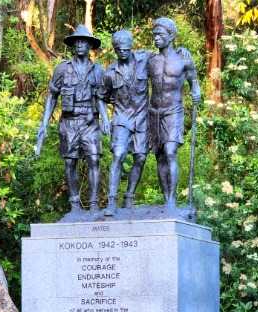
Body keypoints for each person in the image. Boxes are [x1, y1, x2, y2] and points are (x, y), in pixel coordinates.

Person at [37, 25, 110, 214]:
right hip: (68, 123)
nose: (79, 45)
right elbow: (52, 96)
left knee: (94, 159)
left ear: (90, 45)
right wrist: (44, 123)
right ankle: (74, 205)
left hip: (90, 122)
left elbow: (102, 98)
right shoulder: (62, 69)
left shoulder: (99, 71)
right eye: (76, 42)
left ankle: (94, 203)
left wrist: (105, 119)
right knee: (70, 162)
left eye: (83, 42)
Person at [148, 18, 201, 213]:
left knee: (170, 152)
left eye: (160, 34)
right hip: (154, 112)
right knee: (160, 156)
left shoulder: (184, 59)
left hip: (174, 111)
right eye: (154, 35)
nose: (156, 38)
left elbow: (194, 83)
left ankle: (172, 199)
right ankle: (165, 198)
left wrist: (196, 92)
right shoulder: (151, 61)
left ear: (171, 36)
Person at [98, 30, 150, 216]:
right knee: (119, 154)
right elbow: (101, 97)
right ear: (115, 50)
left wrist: (181, 51)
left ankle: (129, 197)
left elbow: (165, 57)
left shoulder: (145, 60)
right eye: (119, 50)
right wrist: (104, 118)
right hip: (121, 119)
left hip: (142, 119)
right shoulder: (110, 73)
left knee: (141, 157)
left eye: (126, 49)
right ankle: (112, 201)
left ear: (132, 47)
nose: (123, 52)